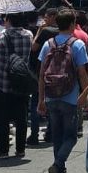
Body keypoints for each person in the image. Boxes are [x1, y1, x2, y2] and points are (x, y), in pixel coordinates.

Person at [37, 8, 88, 173]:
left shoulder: (48, 44)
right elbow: (82, 73)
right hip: (70, 97)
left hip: (51, 96)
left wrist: (41, 99)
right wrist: (86, 94)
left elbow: (42, 74)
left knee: (57, 137)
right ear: (72, 24)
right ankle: (58, 165)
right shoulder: (77, 44)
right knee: (71, 136)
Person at [0, 12, 33, 158]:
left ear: (9, 20)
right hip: (22, 81)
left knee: (3, 118)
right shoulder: (28, 35)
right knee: (22, 117)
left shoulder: (0, 37)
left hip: (3, 82)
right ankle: (20, 149)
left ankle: (3, 150)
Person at [29, 8, 59, 144]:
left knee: (36, 102)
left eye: (46, 17)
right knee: (52, 103)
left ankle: (34, 134)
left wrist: (39, 31)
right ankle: (50, 133)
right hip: (56, 71)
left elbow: (33, 47)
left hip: (41, 70)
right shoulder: (61, 32)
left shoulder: (46, 31)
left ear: (53, 17)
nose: (44, 19)